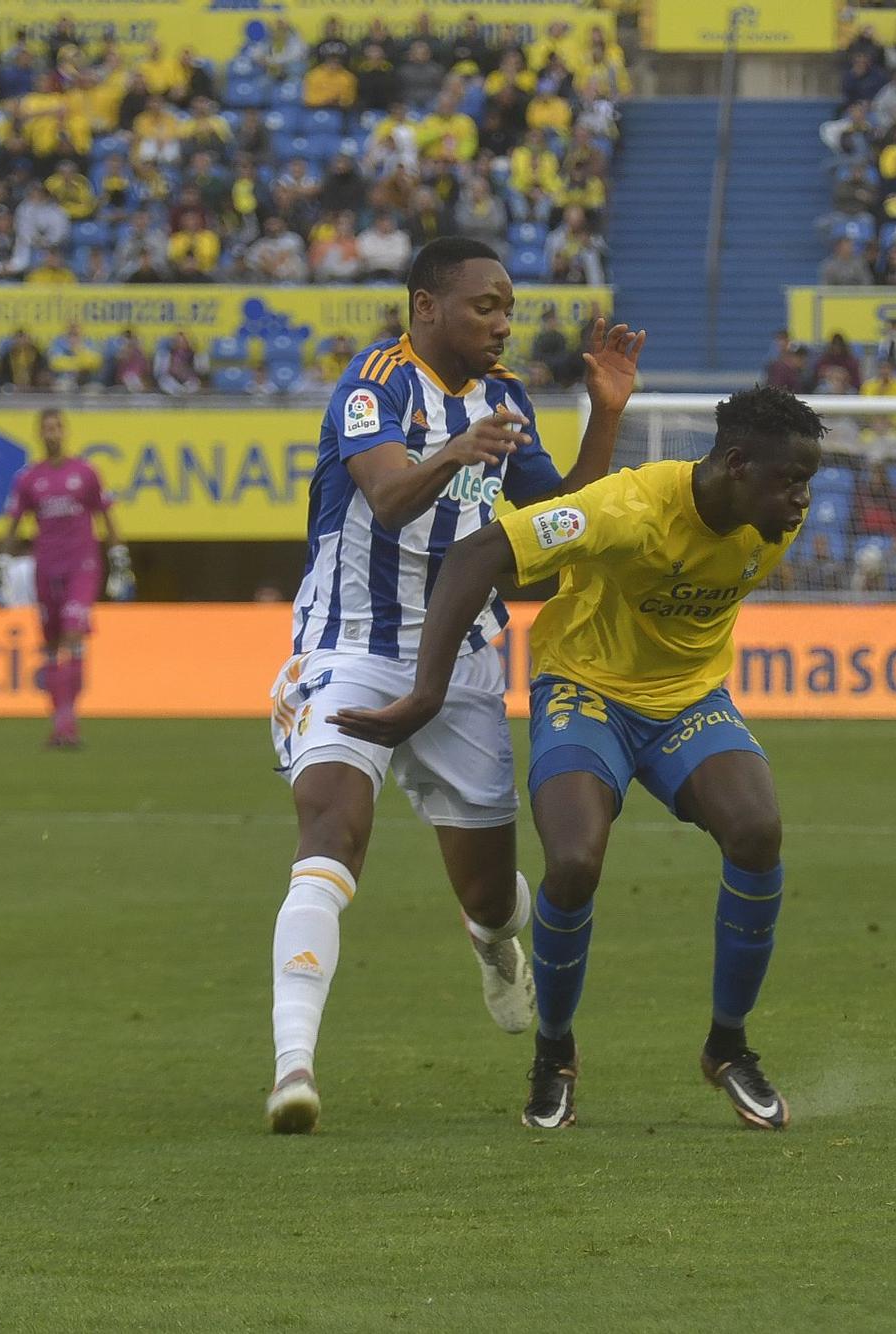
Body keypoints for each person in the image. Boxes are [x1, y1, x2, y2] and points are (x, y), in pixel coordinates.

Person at [332, 385, 822, 1134]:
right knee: (574, 862)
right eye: (789, 480)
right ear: (734, 464)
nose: (801, 500)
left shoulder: (771, 515)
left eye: (806, 482)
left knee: (758, 832)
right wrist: (427, 693)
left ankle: (728, 1046)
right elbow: (478, 554)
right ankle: (554, 1054)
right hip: (586, 689)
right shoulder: (627, 508)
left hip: (686, 700)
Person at [261, 236, 647, 1134]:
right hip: (349, 645)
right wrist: (461, 452)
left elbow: (563, 530)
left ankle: (491, 940)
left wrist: (606, 415)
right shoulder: (375, 386)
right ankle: (293, 1068)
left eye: (509, 307)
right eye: (486, 305)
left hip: (469, 659)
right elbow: (390, 498)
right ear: (426, 306)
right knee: (329, 830)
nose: (504, 323)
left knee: (489, 893)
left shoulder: (507, 400)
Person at [0, 410, 126, 749]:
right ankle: (59, 721)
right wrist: (0, 563)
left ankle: (68, 721)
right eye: (46, 428)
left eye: (57, 427)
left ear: (64, 432)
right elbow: (13, 525)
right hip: (46, 567)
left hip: (81, 565)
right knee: (52, 646)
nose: (52, 433)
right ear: (39, 433)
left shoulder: (84, 473)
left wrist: (118, 558)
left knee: (73, 633)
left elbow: (106, 516)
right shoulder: (28, 479)